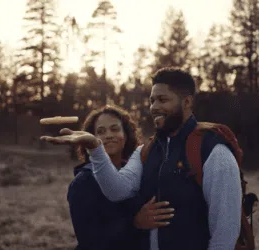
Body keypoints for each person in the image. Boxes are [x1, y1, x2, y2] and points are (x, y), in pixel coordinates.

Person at [42, 67, 243, 250]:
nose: (154, 107)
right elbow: (117, 190)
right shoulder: (147, 150)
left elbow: (225, 234)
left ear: (187, 102)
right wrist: (95, 148)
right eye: (152, 100)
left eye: (163, 100)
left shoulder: (213, 151)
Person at [41, 105, 174, 250]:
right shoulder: (83, 182)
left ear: (126, 135)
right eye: (101, 132)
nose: (109, 135)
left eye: (115, 129)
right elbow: (89, 242)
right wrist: (135, 224)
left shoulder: (138, 172)